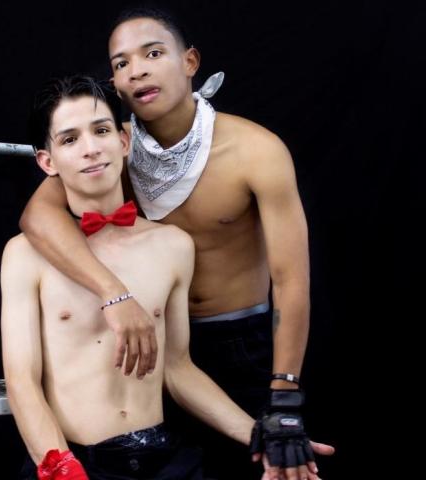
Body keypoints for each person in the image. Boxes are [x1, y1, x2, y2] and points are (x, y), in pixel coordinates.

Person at [19, 6, 327, 479]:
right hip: (146, 337)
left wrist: (284, 394)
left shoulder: (256, 151)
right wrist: (114, 294)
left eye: (153, 53)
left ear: (190, 61)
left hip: (239, 341)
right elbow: (37, 217)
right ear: (115, 84)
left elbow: (291, 281)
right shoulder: (105, 146)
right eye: (121, 63)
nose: (137, 70)